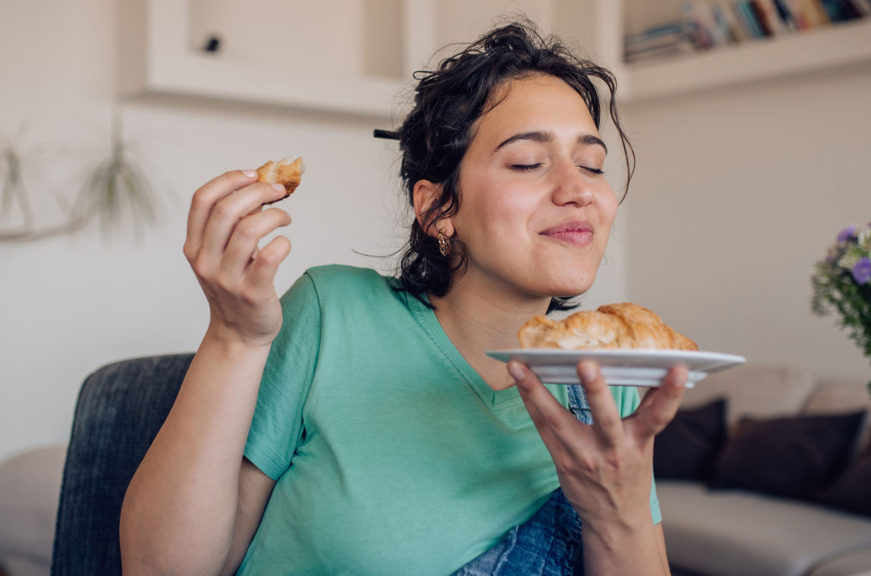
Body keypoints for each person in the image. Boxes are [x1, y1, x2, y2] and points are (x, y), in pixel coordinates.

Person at [120, 21, 689, 576]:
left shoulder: (609, 376)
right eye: (526, 163)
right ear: (438, 209)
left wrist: (621, 516)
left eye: (592, 164)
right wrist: (233, 337)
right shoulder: (332, 314)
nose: (580, 191)